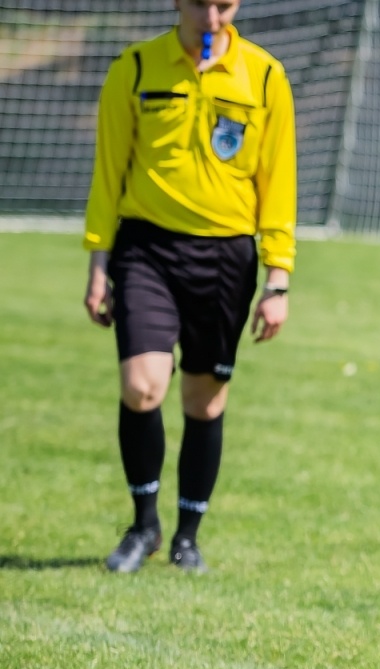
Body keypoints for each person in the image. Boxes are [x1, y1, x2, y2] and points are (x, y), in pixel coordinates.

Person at [84, 0, 296, 574]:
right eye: (201, 2)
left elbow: (278, 182)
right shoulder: (134, 67)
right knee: (142, 386)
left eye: (224, 4)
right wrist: (98, 260)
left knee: (204, 400)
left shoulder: (266, 75)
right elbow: (108, 171)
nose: (212, 15)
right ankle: (143, 525)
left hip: (226, 255)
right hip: (145, 249)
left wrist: (278, 279)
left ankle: (187, 537)